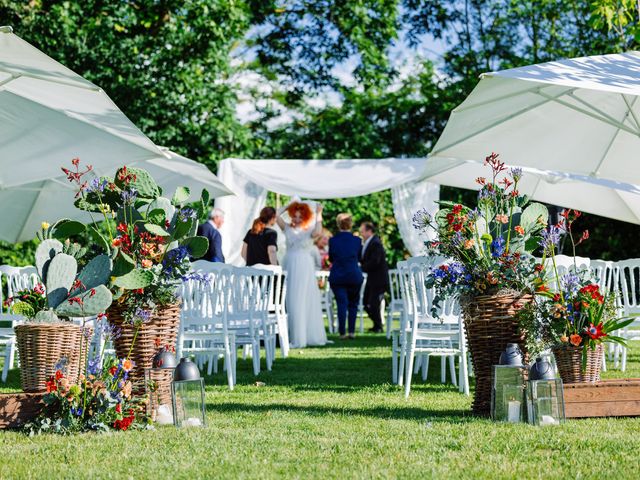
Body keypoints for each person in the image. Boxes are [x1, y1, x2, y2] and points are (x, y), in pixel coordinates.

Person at [276, 199, 327, 348]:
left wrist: (319, 213)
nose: (297, 219)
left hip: (304, 266)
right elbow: (276, 215)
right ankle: (292, 334)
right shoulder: (286, 228)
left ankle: (302, 336)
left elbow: (318, 231)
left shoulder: (309, 230)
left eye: (300, 216)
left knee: (302, 298)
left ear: (304, 217)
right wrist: (287, 206)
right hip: (290, 264)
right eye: (294, 215)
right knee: (290, 299)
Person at [328, 213, 363, 339]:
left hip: (338, 275)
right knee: (353, 304)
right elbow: (359, 257)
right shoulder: (357, 240)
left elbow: (331, 258)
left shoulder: (332, 240)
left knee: (341, 304)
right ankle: (352, 332)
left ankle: (342, 333)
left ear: (338, 224)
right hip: (354, 275)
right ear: (351, 224)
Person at [359, 221, 389, 333]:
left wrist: (360, 268)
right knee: (367, 302)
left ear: (369, 231)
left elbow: (375, 261)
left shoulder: (375, 243)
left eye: (362, 231)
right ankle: (377, 324)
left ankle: (378, 326)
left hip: (378, 279)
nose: (361, 233)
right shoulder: (370, 242)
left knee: (373, 303)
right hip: (373, 279)